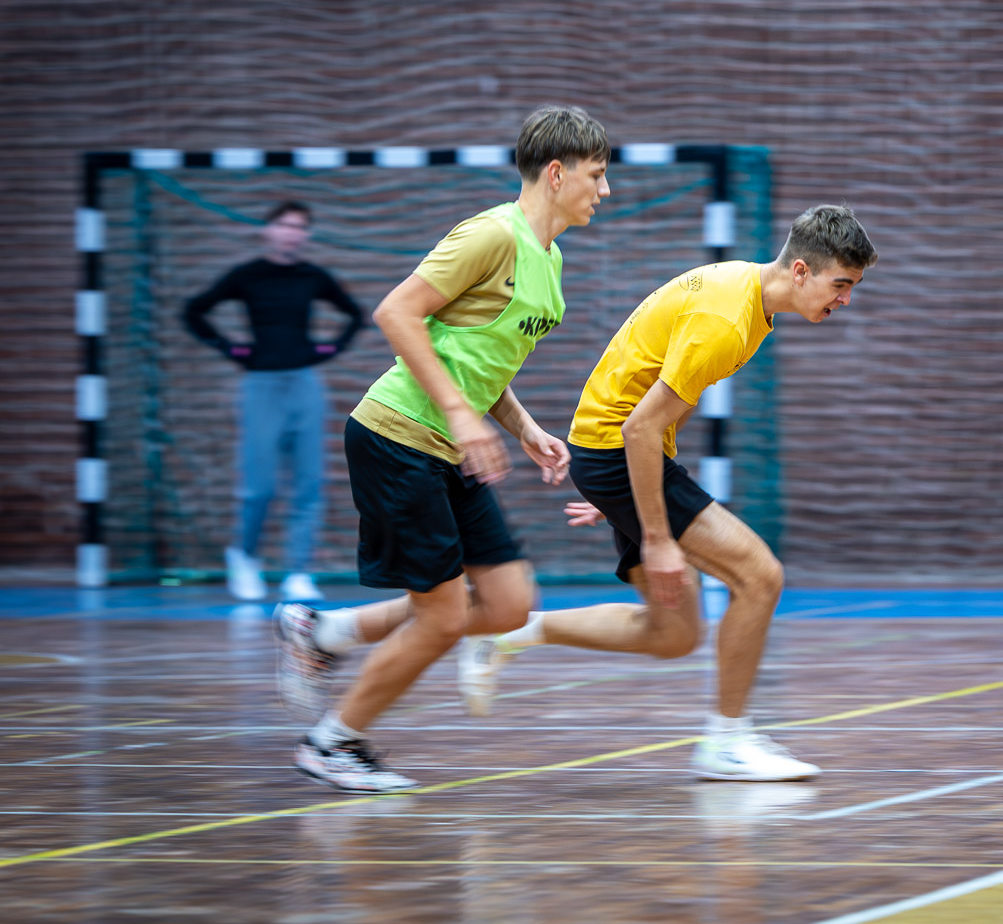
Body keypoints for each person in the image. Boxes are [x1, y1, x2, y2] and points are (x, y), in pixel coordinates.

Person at [458, 204, 878, 781]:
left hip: (613, 457)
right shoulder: (726, 322)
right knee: (760, 576)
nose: (846, 299)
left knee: (672, 634)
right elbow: (639, 428)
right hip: (617, 449)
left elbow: (657, 409)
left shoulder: (744, 292)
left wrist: (620, 496)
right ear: (801, 270)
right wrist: (653, 534)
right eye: (841, 284)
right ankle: (726, 743)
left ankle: (514, 632)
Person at [273, 105, 610, 792]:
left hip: (449, 446)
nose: (604, 190)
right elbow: (396, 313)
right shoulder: (490, 235)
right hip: (397, 437)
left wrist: (523, 428)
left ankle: (323, 634)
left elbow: (477, 358)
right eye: (596, 175)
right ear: (556, 174)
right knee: (445, 614)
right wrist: (460, 415)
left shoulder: (549, 257)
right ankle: (332, 743)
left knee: (508, 603)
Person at [184, 202, 366, 603]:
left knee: (308, 482)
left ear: (306, 235)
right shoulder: (247, 276)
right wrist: (229, 348)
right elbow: (194, 311)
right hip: (261, 386)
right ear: (268, 230)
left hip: (304, 385)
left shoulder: (312, 277)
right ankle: (244, 556)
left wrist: (329, 349)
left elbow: (355, 315)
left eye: (299, 227)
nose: (291, 233)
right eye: (284, 225)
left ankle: (299, 572)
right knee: (259, 486)